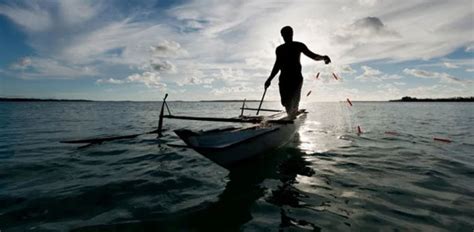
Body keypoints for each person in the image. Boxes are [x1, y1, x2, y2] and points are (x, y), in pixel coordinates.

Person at [265, 26, 331, 118]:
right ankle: (291, 114)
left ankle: (292, 116)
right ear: (282, 36)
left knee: (294, 103)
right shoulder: (279, 49)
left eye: (288, 34)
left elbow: (312, 56)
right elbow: (277, 65)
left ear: (292, 34)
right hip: (284, 79)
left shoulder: (299, 45)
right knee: (285, 102)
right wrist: (269, 79)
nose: (286, 36)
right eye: (284, 35)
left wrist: (323, 57)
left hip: (296, 79)